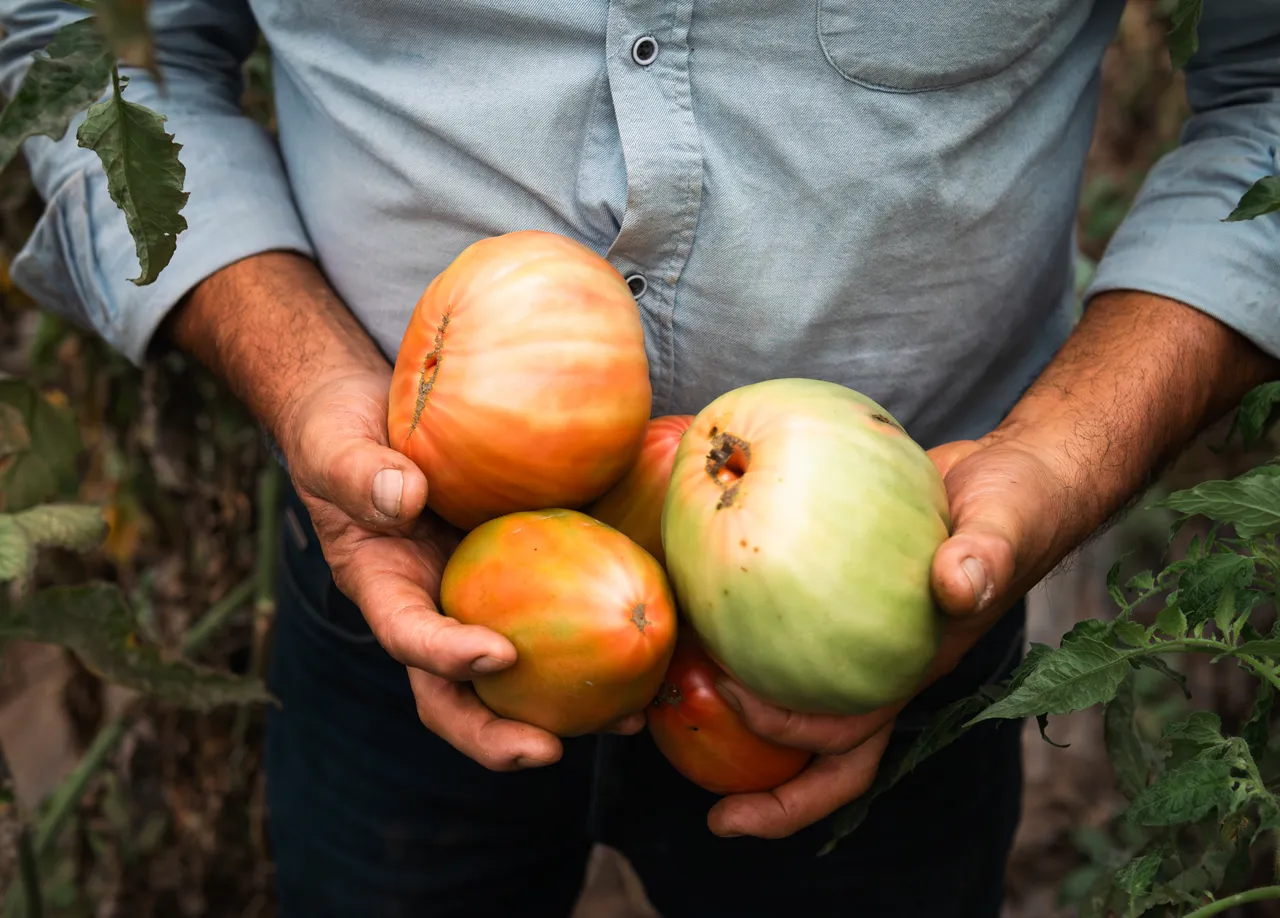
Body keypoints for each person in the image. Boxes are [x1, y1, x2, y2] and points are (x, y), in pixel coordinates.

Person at [2, 0, 1278, 914]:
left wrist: (1056, 464)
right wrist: (301, 374)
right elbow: (69, 35)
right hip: (396, 584)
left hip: (906, 633)